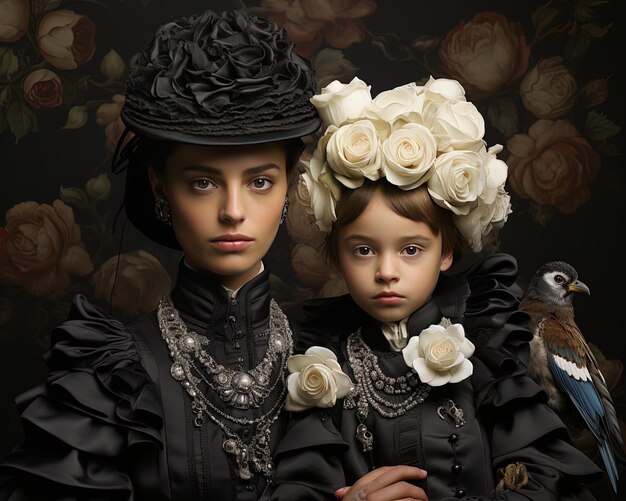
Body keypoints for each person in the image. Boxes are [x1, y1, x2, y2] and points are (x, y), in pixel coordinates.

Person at [0, 8, 320, 500]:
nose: (233, 212)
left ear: (288, 187)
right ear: (160, 187)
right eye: (202, 182)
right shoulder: (109, 377)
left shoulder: (332, 356)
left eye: (259, 182)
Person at [269, 76, 603, 500]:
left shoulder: (491, 338)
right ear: (336, 256)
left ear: (445, 252)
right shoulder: (318, 358)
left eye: (410, 249)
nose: (386, 272)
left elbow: (543, 476)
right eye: (363, 250)